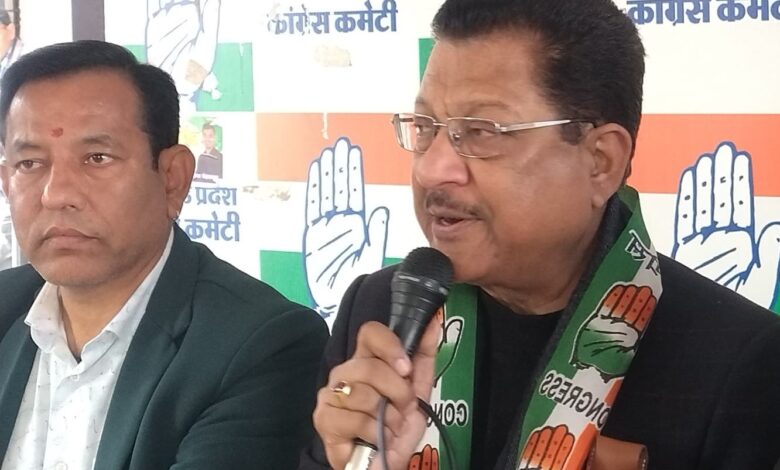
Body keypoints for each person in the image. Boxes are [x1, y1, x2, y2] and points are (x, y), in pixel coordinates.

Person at [299, 0, 780, 469]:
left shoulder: (737, 365)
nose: (431, 169)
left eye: (482, 131)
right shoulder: (379, 312)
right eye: (425, 127)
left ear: (601, 162)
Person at [0, 40, 328, 469]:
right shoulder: (7, 304)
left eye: (96, 158)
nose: (56, 194)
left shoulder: (258, 345)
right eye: (29, 164)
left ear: (173, 178)